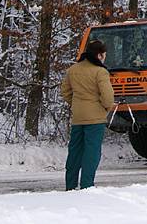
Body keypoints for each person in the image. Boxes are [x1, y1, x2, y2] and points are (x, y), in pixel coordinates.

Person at [61, 40, 114, 190]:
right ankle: (87, 185)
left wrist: (75, 104)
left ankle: (70, 185)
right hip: (95, 118)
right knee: (91, 152)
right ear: (99, 55)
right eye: (104, 55)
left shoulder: (73, 70)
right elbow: (108, 97)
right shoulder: (100, 71)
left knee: (75, 151)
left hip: (77, 117)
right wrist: (105, 108)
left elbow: (65, 91)